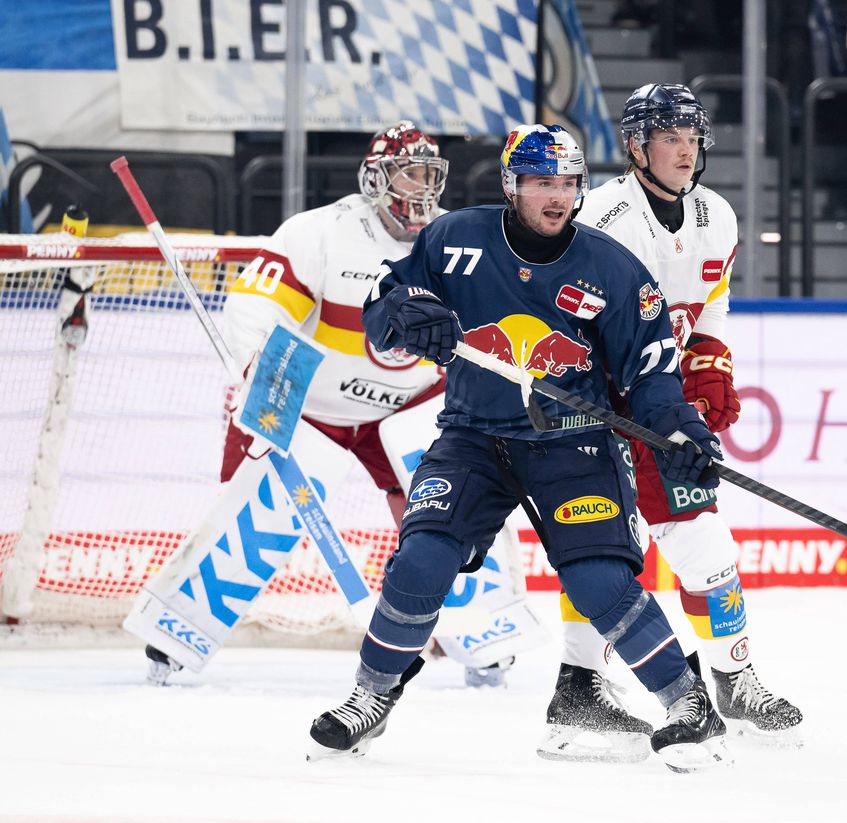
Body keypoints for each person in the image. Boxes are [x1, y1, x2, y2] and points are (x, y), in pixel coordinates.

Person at [307, 123, 730, 773]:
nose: (556, 196)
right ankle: (371, 695)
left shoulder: (613, 269)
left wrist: (680, 431)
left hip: (573, 444)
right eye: (541, 183)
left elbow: (650, 377)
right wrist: (405, 308)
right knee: (421, 559)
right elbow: (385, 303)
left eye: (566, 183)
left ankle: (688, 702)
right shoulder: (453, 239)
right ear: (512, 185)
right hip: (473, 436)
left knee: (598, 580)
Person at [143, 122, 529, 688]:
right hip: (309, 402)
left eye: (430, 174)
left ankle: (481, 635)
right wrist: (253, 363)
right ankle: (178, 629)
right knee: (250, 506)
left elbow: (490, 334)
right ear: (375, 178)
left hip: (402, 406)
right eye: (408, 172)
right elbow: (256, 304)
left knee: (453, 504)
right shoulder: (320, 232)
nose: (421, 188)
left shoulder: (457, 241)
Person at [540, 84, 803, 754]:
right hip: (594, 410)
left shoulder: (719, 216)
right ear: (636, 145)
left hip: (659, 406)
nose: (686, 151)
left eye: (692, 138)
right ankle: (577, 688)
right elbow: (562, 316)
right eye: (670, 138)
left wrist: (710, 362)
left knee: (705, 548)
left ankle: (733, 678)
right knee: (602, 549)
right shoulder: (600, 215)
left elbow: (711, 302)